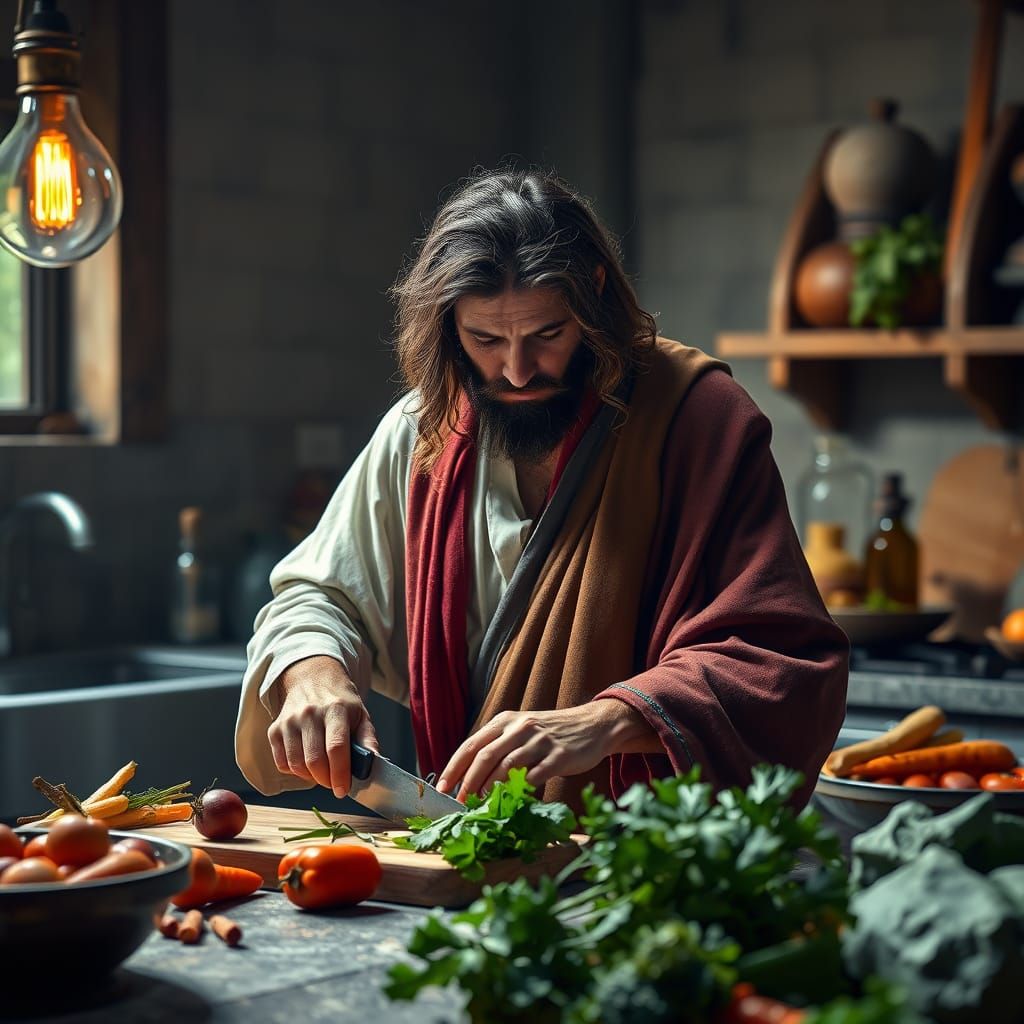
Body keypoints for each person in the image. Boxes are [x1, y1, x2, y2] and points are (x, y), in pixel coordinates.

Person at [235, 168, 849, 813]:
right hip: (470, 844)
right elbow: (316, 594)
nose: (518, 371)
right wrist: (312, 671)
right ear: (447, 329)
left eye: (547, 335)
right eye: (486, 339)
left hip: (650, 862)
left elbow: (783, 659)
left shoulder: (698, 420)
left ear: (596, 297)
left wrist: (607, 721)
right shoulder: (425, 431)